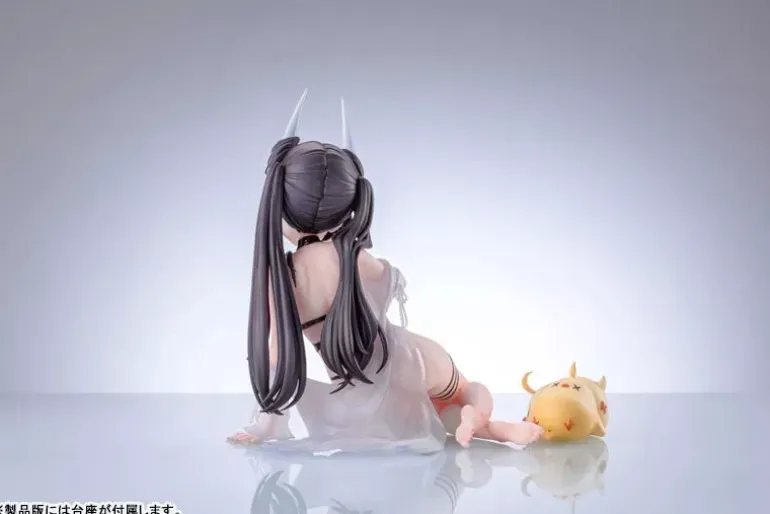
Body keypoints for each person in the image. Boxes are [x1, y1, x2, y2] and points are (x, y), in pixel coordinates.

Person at [227, 90, 543, 453]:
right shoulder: (354, 255)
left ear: (276, 201)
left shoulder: (284, 276)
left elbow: (276, 356)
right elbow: (389, 278)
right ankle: (486, 423)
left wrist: (267, 422)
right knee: (465, 393)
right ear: (351, 202)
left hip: (361, 390)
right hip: (411, 357)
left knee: (425, 416)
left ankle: (482, 424)